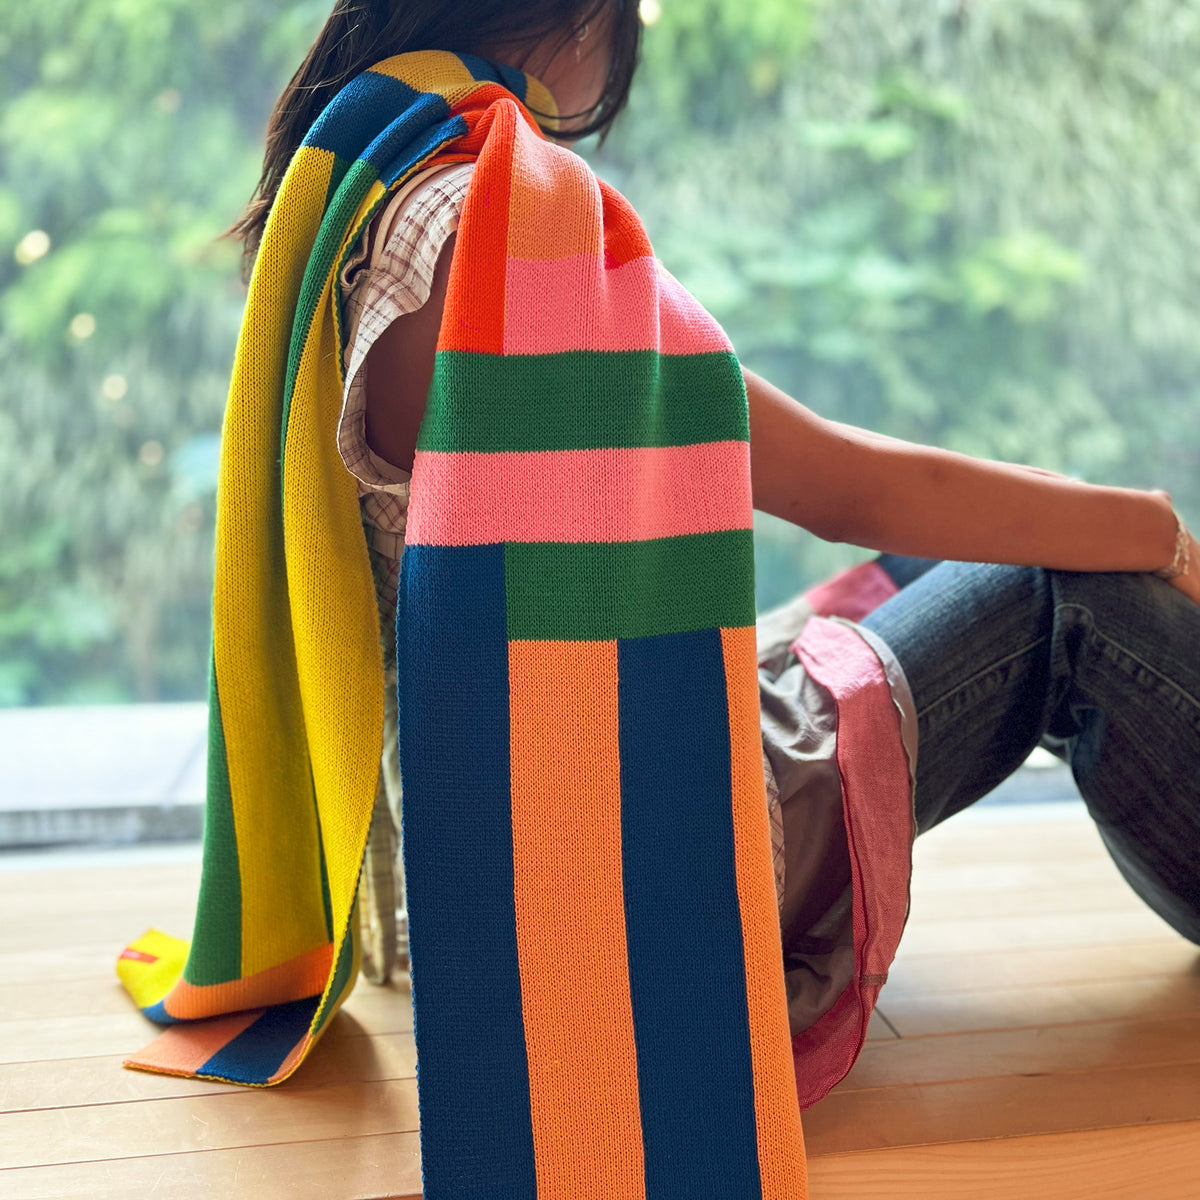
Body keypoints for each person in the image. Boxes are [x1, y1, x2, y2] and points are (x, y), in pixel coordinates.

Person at [226, 0, 1200, 1097]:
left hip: (479, 824)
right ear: (581, 16)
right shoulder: (499, 226)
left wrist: (1099, 509)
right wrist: (1154, 529)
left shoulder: (366, 179)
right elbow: (842, 484)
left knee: (978, 555)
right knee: (1072, 587)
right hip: (625, 857)